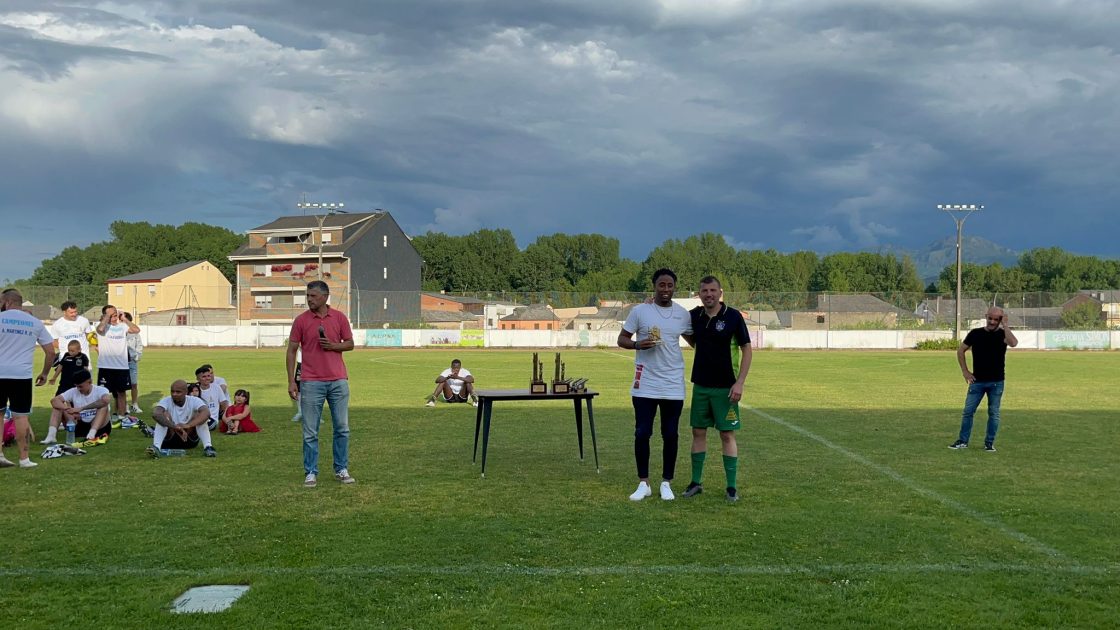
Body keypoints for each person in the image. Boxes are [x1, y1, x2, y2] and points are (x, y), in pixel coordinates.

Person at [617, 268, 693, 501]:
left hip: (672, 384)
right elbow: (622, 339)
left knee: (670, 434)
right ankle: (644, 483)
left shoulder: (683, 314)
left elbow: (695, 341)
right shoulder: (640, 311)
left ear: (674, 287)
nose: (666, 289)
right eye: (662, 285)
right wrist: (638, 345)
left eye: (670, 285)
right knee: (642, 433)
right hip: (645, 384)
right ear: (654, 286)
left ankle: (666, 482)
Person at [680, 276, 752, 502]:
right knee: (698, 432)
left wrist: (739, 382)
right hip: (700, 385)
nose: (708, 294)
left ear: (720, 292)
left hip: (726, 388)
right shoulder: (694, 316)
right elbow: (687, 334)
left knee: (726, 434)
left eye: (712, 290)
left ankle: (731, 487)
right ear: (699, 294)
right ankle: (695, 482)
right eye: (704, 290)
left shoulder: (733, 316)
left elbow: (747, 349)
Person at [286, 280, 355, 488]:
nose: (309, 299)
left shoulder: (339, 318)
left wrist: (333, 346)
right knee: (310, 431)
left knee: (342, 428)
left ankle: (341, 469)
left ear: (325, 297)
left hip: (338, 381)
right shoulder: (301, 321)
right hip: (311, 382)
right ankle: (310, 472)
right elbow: (291, 351)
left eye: (313, 296)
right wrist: (292, 381)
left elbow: (350, 344)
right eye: (307, 296)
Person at [0, 288, 56, 468]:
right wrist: (45, 373)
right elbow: (50, 352)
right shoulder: (34, 322)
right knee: (21, 416)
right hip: (21, 375)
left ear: (6, 302)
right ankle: (24, 459)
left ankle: (0, 455)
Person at [950, 306, 1018, 452]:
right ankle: (962, 441)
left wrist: (1005, 325)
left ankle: (989, 443)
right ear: (986, 316)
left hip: (996, 382)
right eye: (990, 318)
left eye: (996, 319)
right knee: (968, 412)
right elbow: (961, 350)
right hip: (977, 381)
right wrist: (965, 371)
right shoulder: (975, 334)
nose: (992, 322)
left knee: (994, 413)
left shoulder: (1003, 335)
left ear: (1001, 319)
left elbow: (1013, 343)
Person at [147, 379, 216, 457]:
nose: (174, 394)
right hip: (170, 439)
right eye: (172, 391)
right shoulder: (166, 400)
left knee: (200, 417)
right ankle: (156, 447)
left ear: (186, 392)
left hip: (189, 439)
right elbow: (156, 414)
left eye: (178, 392)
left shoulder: (194, 400)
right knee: (162, 416)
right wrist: (175, 427)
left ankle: (208, 447)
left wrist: (188, 425)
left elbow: (206, 413)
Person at [94, 305, 139, 423]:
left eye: (115, 315)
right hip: (105, 366)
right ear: (105, 316)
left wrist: (125, 319)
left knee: (121, 392)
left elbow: (136, 330)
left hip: (121, 366)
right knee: (104, 393)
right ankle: (104, 416)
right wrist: (107, 316)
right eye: (111, 316)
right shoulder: (102, 327)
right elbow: (99, 329)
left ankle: (122, 416)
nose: (114, 318)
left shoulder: (122, 327)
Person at [47, 370, 112, 447]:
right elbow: (54, 401)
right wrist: (67, 409)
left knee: (103, 406)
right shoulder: (73, 391)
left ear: (90, 382)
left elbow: (106, 400)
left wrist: (81, 409)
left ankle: (91, 434)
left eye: (80, 386)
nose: (78, 389)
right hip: (79, 424)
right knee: (57, 407)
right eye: (76, 386)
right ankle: (51, 436)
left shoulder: (100, 390)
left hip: (100, 427)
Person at [195, 365, 229, 431]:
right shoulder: (195, 389)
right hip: (197, 417)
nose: (207, 378)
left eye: (208, 376)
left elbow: (224, 404)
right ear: (198, 379)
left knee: (206, 425)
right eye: (203, 377)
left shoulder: (216, 387)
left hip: (211, 419)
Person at [123, 312, 143, 414]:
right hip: (120, 363)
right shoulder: (120, 332)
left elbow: (139, 347)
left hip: (132, 362)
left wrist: (136, 357)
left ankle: (134, 404)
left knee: (134, 384)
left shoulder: (135, 334)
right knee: (123, 386)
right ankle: (124, 405)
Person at [291, 347, 303, 422]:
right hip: (301, 363)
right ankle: (300, 412)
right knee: (298, 389)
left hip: (314, 363)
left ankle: (316, 415)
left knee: (315, 388)